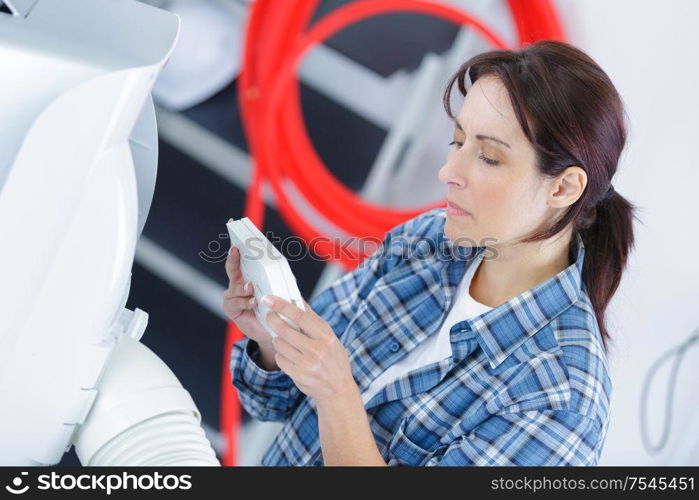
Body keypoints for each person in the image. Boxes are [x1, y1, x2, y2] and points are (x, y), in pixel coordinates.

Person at [223, 40, 638, 466]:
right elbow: (274, 402)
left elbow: (327, 391)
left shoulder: (558, 400)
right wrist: (272, 339)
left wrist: (336, 393)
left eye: (489, 157)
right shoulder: (426, 242)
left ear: (563, 188)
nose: (448, 173)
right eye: (457, 141)